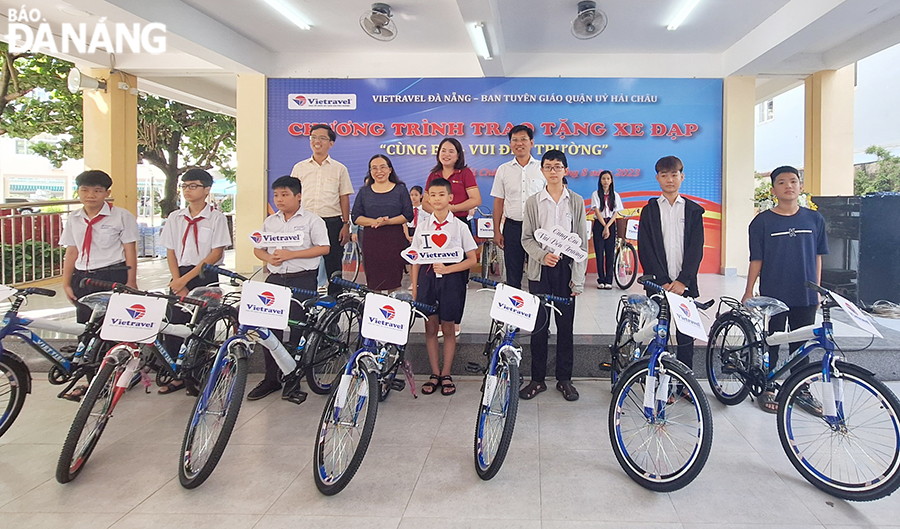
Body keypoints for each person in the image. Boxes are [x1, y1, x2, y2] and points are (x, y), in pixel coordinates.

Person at [742, 165, 828, 415]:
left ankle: (800, 388)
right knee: (773, 341)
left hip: (806, 294)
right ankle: (768, 385)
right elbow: (756, 259)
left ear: (800, 186)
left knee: (801, 344)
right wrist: (749, 290)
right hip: (774, 295)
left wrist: (818, 289)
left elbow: (818, 256)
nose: (788, 186)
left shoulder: (814, 219)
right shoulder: (762, 221)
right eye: (782, 182)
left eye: (793, 181)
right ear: (773, 190)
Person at [248, 176, 330, 402]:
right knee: (269, 330)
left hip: (302, 280)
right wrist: (268, 258)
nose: (279, 200)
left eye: (284, 195)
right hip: (275, 280)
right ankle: (271, 378)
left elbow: (324, 248)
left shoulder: (313, 221)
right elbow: (259, 249)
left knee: (297, 330)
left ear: (298, 196)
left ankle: (293, 379)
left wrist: (292, 254)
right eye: (276, 195)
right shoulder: (270, 222)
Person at [59, 169, 139, 401]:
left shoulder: (121, 216)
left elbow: (129, 250)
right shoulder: (74, 218)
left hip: (111, 275)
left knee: (112, 329)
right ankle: (90, 381)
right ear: (78, 191)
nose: (90, 195)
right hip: (83, 277)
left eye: (97, 190)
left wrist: (131, 280)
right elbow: (71, 251)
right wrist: (67, 283)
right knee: (86, 330)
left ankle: (116, 379)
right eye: (85, 190)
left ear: (107, 193)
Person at [519, 150, 588, 402]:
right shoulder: (533, 202)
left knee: (566, 327)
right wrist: (541, 256)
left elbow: (582, 244)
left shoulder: (577, 202)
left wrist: (577, 279)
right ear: (542, 171)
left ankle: (564, 379)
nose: (553, 171)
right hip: (541, 270)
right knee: (539, 327)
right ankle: (537, 380)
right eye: (548, 167)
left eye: (558, 167)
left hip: (566, 272)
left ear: (565, 170)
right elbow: (526, 238)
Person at [157, 169, 232, 394]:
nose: (188, 190)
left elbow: (216, 252)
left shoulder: (216, 217)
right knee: (175, 323)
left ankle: (197, 373)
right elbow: (170, 250)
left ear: (207, 190)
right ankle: (177, 375)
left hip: (204, 275)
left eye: (193, 186)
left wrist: (187, 280)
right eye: (185, 186)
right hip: (178, 274)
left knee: (202, 326)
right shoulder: (175, 217)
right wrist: (177, 280)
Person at [637, 155, 705, 376]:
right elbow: (645, 249)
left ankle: (684, 379)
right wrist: (663, 281)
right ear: (657, 178)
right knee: (659, 332)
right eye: (664, 175)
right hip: (659, 285)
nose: (669, 180)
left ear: (682, 177)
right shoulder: (650, 210)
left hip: (684, 285)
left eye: (674, 175)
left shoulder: (694, 211)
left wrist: (683, 281)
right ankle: (658, 378)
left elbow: (696, 249)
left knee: (686, 334)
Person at [411, 178, 478, 396]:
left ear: (450, 198)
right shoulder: (422, 227)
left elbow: (472, 259)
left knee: (448, 327)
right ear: (427, 198)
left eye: (442, 194)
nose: (437, 199)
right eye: (433, 194)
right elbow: (415, 259)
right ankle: (434, 372)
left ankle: (447, 373)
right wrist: (415, 287)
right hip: (428, 280)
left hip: (452, 280)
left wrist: (449, 269)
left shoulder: (459, 227)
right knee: (430, 328)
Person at [424, 138, 480, 336]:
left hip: (459, 226)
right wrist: (441, 213)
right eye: (443, 150)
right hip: (437, 228)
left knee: (457, 277)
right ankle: (439, 320)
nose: (446, 154)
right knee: (437, 275)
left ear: (458, 155)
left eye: (451, 151)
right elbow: (425, 202)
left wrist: (452, 209)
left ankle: (455, 321)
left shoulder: (464, 173)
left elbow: (476, 199)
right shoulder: (434, 175)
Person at [290, 124, 353, 295]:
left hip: (331, 222)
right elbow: (292, 196)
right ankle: (305, 307)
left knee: (334, 267)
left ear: (331, 143)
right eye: (313, 137)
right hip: (304, 222)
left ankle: (333, 312)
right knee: (305, 266)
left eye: (322, 138)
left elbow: (344, 197)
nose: (317, 141)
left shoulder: (339, 168)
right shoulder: (299, 168)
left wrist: (346, 224)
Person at [490, 124, 546, 289]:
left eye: (523, 139)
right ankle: (515, 312)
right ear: (510, 144)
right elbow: (499, 201)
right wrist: (496, 231)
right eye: (515, 140)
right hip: (512, 227)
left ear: (532, 142)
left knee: (537, 276)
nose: (519, 143)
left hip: (537, 228)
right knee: (513, 277)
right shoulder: (503, 170)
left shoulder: (542, 169)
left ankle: (538, 313)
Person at [351, 154, 413, 291]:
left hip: (394, 240)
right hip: (371, 242)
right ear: (370, 172)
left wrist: (388, 222)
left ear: (390, 169)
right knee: (374, 283)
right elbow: (356, 216)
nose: (379, 171)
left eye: (382, 167)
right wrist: (374, 221)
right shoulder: (364, 192)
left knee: (394, 282)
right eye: (374, 168)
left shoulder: (400, 189)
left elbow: (408, 215)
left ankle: (393, 310)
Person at [591, 170, 624, 289]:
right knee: (599, 253)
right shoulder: (595, 194)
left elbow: (616, 213)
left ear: (611, 181)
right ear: (600, 180)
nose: (606, 181)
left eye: (608, 179)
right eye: (603, 178)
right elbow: (597, 211)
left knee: (610, 253)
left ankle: (609, 280)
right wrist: (604, 226)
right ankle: (601, 280)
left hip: (611, 223)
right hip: (599, 224)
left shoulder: (615, 195)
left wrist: (608, 226)